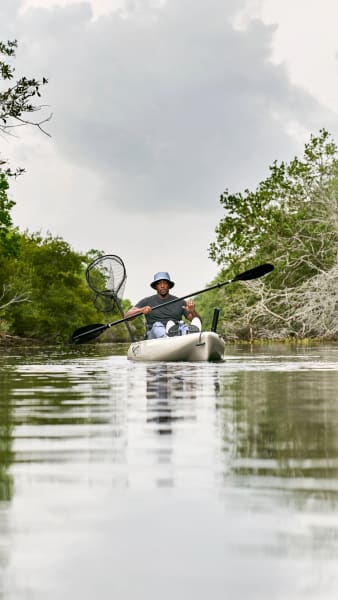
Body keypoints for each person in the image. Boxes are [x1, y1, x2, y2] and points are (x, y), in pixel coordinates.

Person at [125, 271, 202, 339]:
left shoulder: (180, 302)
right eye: (159, 283)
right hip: (153, 337)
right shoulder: (146, 301)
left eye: (165, 283)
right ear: (156, 286)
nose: (162, 286)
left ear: (169, 285)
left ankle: (180, 335)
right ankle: (168, 337)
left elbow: (197, 321)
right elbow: (127, 316)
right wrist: (141, 310)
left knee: (183, 326)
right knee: (157, 325)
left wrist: (193, 311)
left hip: (176, 335)